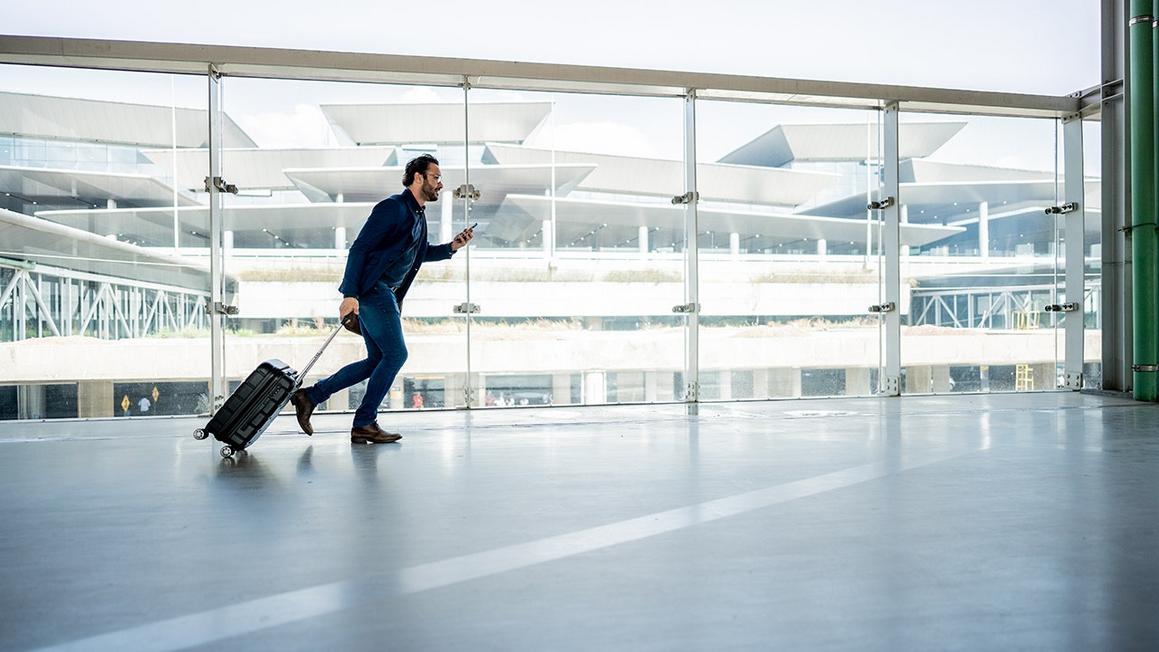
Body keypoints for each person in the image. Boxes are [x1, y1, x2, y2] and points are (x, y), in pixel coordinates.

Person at [290, 154, 474, 444]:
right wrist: (349, 294)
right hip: (374, 291)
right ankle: (364, 422)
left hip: (385, 293)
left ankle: (310, 396)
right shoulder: (393, 208)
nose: (440, 183)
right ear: (418, 177)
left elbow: (419, 253)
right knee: (396, 355)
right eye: (436, 177)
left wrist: (452, 246)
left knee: (376, 360)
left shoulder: (417, 215)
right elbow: (360, 248)